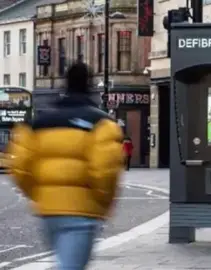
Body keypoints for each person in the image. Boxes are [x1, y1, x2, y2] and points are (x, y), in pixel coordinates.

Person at [6, 62, 124, 270]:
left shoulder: (38, 123)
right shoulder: (102, 124)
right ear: (89, 85)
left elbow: (19, 165)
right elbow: (105, 171)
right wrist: (102, 203)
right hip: (83, 211)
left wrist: (38, 194)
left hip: (48, 212)